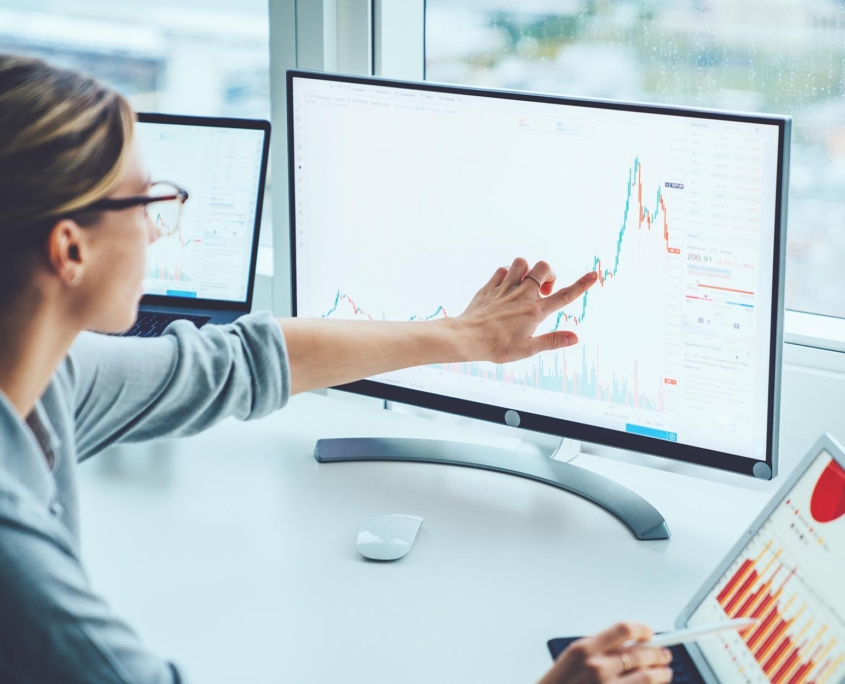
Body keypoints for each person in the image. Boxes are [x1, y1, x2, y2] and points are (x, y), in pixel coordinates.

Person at [0, 54, 673, 684]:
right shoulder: (13, 555)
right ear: (69, 249)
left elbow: (237, 362)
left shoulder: (47, 378)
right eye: (146, 202)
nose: (155, 229)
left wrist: (463, 336)